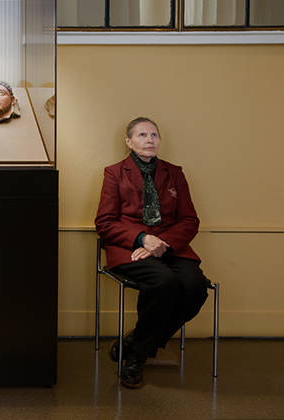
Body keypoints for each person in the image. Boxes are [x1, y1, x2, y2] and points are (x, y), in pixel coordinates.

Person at [94, 117, 209, 389]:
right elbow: (105, 222)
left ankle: (135, 341)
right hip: (130, 249)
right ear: (129, 141)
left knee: (196, 287)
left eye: (154, 135)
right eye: (142, 134)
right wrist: (143, 239)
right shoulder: (114, 173)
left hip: (171, 247)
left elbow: (190, 220)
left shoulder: (175, 173)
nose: (150, 140)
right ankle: (136, 358)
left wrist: (162, 243)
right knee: (164, 283)